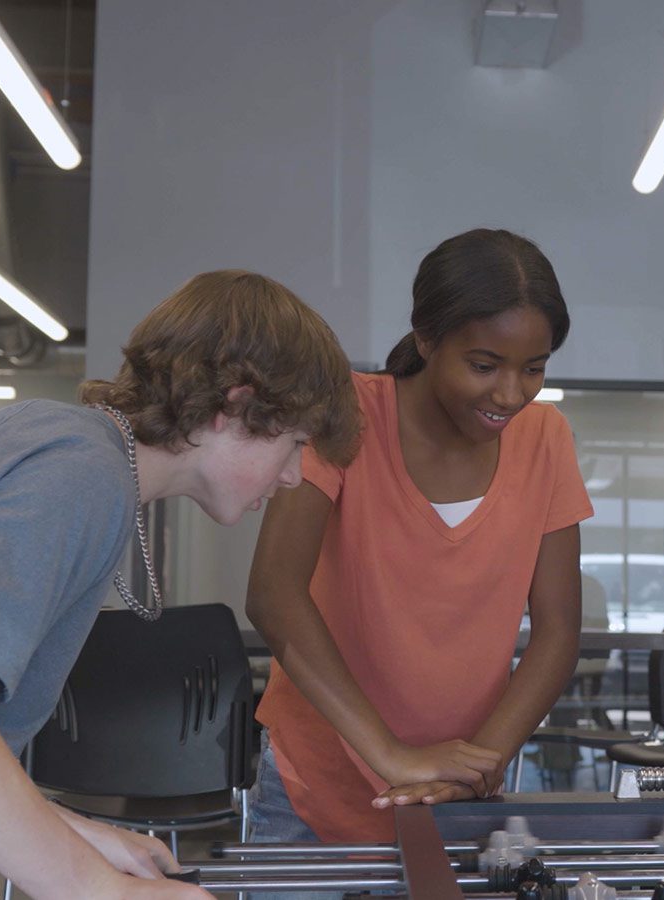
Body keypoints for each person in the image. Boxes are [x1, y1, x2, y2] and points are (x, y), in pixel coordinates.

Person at [0, 270, 361, 899]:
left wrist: (72, 833)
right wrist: (102, 889)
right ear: (233, 406)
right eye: (293, 444)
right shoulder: (82, 475)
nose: (293, 475)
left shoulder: (60, 441)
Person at [246, 229, 593, 863]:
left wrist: (482, 764)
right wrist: (392, 757)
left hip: (460, 796)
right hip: (314, 788)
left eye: (534, 367)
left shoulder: (546, 438)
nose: (511, 393)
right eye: (484, 365)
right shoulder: (346, 412)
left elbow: (557, 631)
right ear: (428, 339)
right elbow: (273, 594)